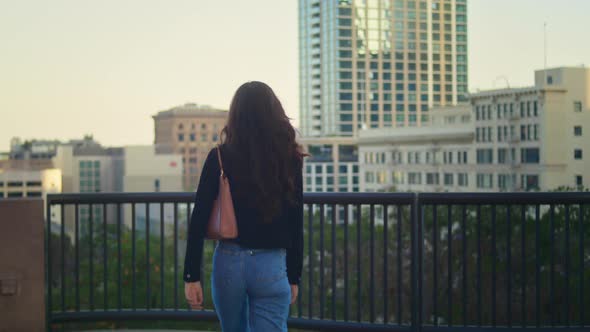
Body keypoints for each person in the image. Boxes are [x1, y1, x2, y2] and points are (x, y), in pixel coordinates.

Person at [183, 81, 305, 331]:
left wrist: (191, 276)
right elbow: (296, 222)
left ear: (235, 115)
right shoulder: (289, 158)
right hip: (271, 264)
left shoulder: (219, 157)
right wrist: (294, 275)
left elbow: (199, 218)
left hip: (230, 262)